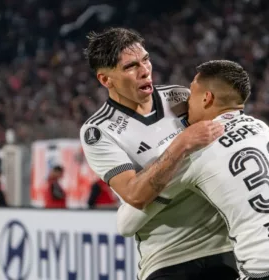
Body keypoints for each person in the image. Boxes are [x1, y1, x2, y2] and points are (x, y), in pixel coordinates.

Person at [118, 60, 269, 280]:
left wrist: (173, 153)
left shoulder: (194, 148)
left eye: (192, 93)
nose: (187, 104)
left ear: (207, 98)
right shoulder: (262, 129)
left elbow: (126, 223)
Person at [80, 28, 238, 280]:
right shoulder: (99, 131)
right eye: (131, 66)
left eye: (146, 59)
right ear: (106, 80)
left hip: (222, 246)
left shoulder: (180, 97)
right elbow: (135, 195)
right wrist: (181, 144)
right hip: (167, 257)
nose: (145, 70)